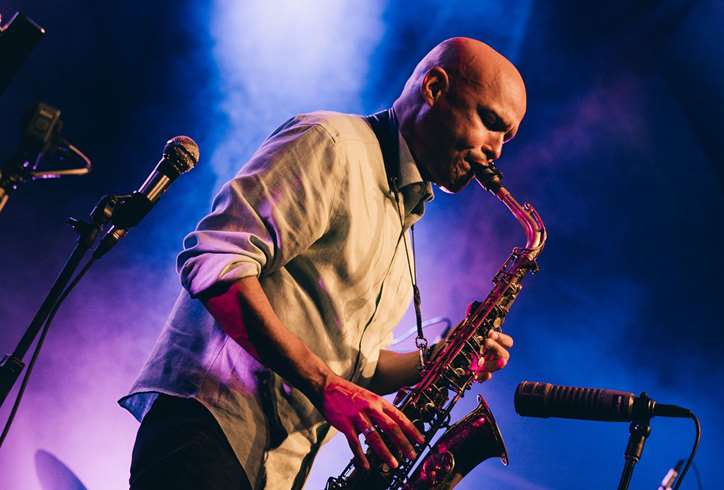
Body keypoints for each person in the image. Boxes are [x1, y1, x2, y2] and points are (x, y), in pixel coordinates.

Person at [120, 36, 526, 490]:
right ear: (433, 87)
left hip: (271, 470)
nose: (496, 151)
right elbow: (213, 260)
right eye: (491, 122)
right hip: (208, 432)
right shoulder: (332, 144)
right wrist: (325, 385)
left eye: (507, 137)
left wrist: (446, 359)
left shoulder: (401, 215)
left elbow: (359, 370)